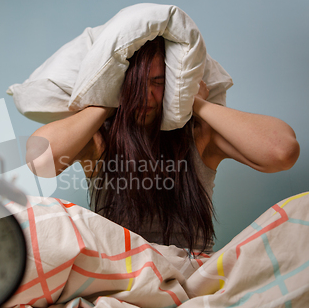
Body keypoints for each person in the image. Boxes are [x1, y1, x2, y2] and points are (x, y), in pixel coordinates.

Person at [26, 36, 299, 254]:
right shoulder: (100, 141)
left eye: (158, 83)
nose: (147, 96)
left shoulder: (200, 136)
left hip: (192, 274)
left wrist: (195, 102)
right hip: (124, 272)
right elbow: (39, 161)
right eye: (135, 85)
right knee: (40, 222)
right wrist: (106, 101)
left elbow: (282, 151)